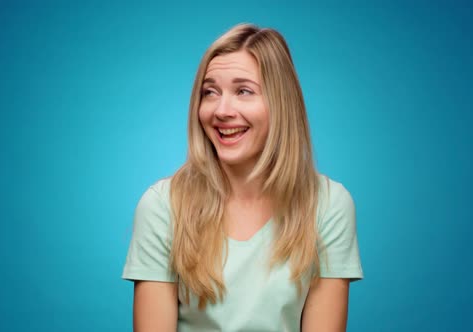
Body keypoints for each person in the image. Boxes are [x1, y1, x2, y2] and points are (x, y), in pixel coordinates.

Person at [122, 23, 363, 332]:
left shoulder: (329, 205)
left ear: (281, 103)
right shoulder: (162, 206)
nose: (222, 110)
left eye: (243, 91)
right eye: (210, 92)